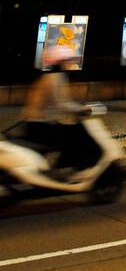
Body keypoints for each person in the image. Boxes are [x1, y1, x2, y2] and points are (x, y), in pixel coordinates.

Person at [22, 44, 93, 175]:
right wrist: (81, 109)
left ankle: (61, 167)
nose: (70, 63)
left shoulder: (51, 77)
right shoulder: (55, 78)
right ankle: (62, 168)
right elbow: (61, 103)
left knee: (70, 132)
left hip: (39, 123)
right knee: (76, 133)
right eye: (68, 60)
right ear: (60, 62)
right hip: (40, 126)